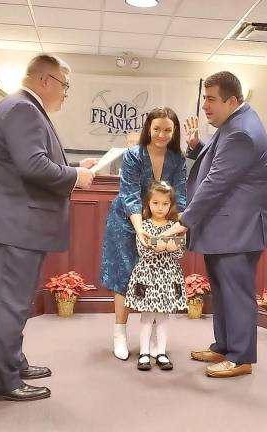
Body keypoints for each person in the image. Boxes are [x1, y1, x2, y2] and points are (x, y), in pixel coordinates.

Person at [0, 54, 95, 402]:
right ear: (46, 80)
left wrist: (73, 166)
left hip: (18, 225)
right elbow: (32, 166)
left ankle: (11, 363)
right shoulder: (22, 108)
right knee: (8, 305)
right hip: (14, 225)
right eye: (65, 85)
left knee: (15, 303)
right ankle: (2, 382)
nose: (66, 93)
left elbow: (33, 161)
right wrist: (76, 177)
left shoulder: (22, 107)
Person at [164, 71, 267, 378]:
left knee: (235, 292)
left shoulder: (241, 131)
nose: (205, 107)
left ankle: (240, 357)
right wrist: (198, 145)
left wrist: (185, 221)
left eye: (211, 100)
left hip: (238, 230)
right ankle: (224, 346)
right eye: (204, 99)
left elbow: (216, 182)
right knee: (224, 290)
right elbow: (219, 162)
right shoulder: (235, 124)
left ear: (232, 100)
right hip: (226, 228)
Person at [100, 107, 187, 361]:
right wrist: (139, 229)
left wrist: (175, 230)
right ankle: (119, 332)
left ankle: (152, 343)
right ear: (148, 127)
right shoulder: (133, 155)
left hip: (161, 223)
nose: (162, 134)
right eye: (157, 128)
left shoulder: (177, 158)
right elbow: (129, 194)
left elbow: (180, 197)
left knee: (155, 277)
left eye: (168, 130)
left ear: (174, 131)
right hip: (128, 221)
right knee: (124, 275)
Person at [124, 181, 187, 371]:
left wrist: (173, 248)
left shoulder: (175, 226)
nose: (160, 208)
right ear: (148, 204)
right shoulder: (143, 226)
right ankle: (144, 353)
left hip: (167, 277)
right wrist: (158, 249)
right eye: (156, 203)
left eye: (165, 204)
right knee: (146, 316)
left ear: (171, 205)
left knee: (163, 318)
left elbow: (179, 253)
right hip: (148, 276)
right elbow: (143, 252)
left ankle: (161, 352)